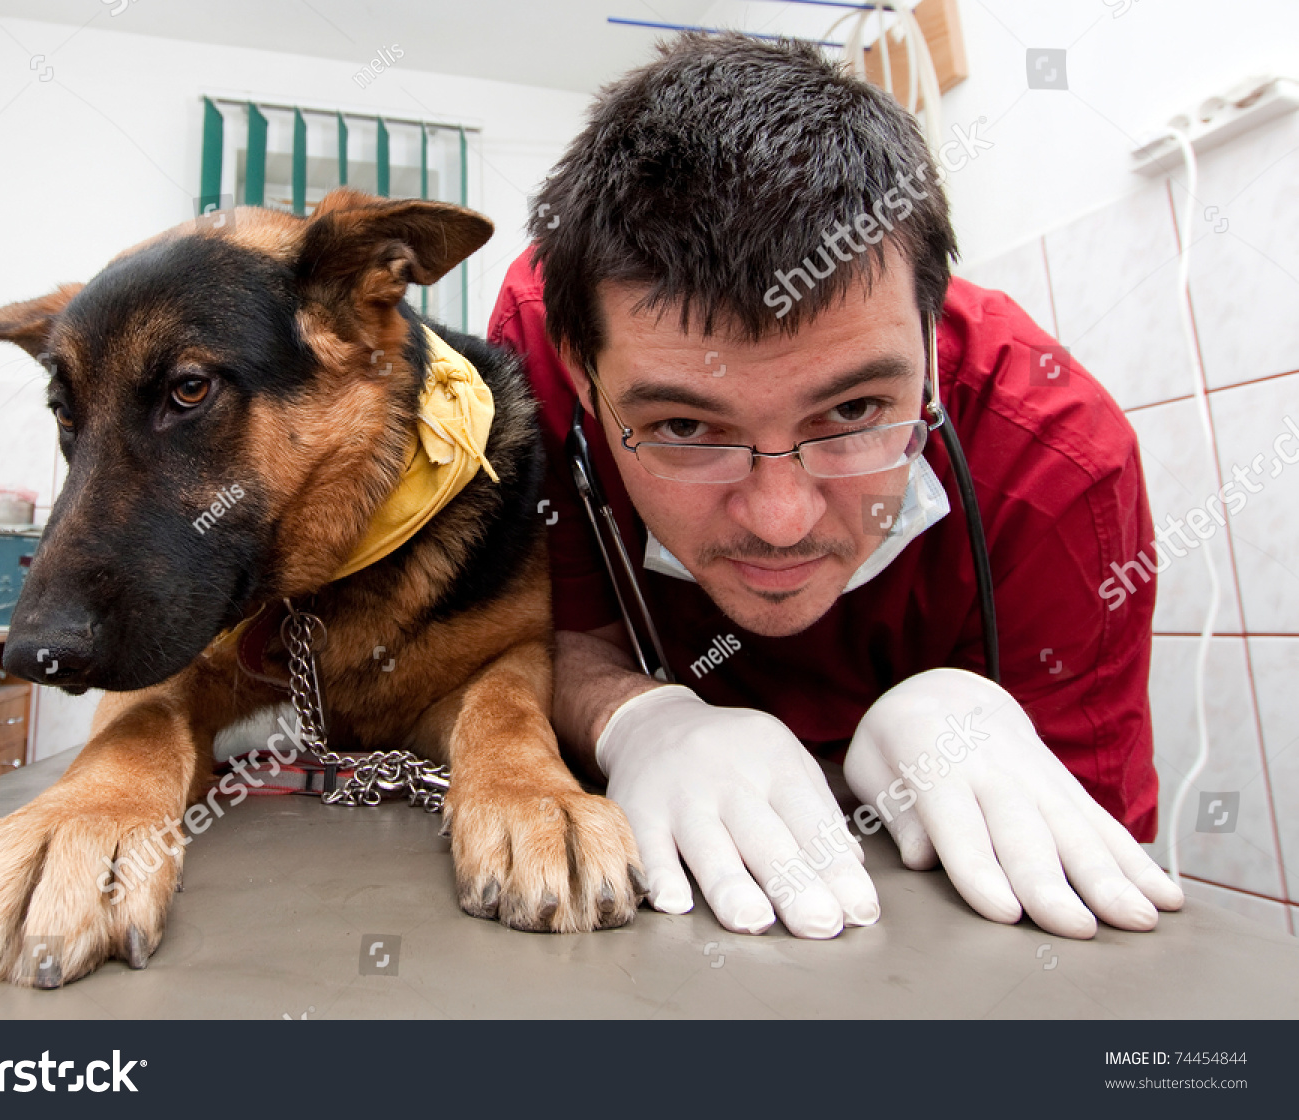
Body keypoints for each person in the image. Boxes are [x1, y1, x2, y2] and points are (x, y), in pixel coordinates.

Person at [487, 32, 1183, 941]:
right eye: (686, 428)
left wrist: (962, 720)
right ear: (582, 374)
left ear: (931, 345)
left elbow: (1083, 866)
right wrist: (637, 718)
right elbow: (546, 636)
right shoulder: (533, 357)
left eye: (854, 412)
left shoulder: (1060, 461)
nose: (780, 521)